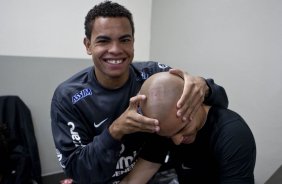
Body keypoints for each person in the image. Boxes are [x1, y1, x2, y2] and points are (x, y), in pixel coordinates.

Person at [50, 1, 228, 183]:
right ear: (88, 45)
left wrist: (204, 87)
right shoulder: (68, 97)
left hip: (154, 172)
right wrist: (116, 130)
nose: (115, 50)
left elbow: (218, 104)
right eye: (103, 41)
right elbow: (78, 170)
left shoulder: (154, 75)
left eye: (124, 40)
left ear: (133, 43)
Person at [121, 72, 256, 184]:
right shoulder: (165, 126)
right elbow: (134, 180)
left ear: (194, 102)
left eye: (181, 129)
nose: (177, 141)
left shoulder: (232, 134)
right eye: (168, 136)